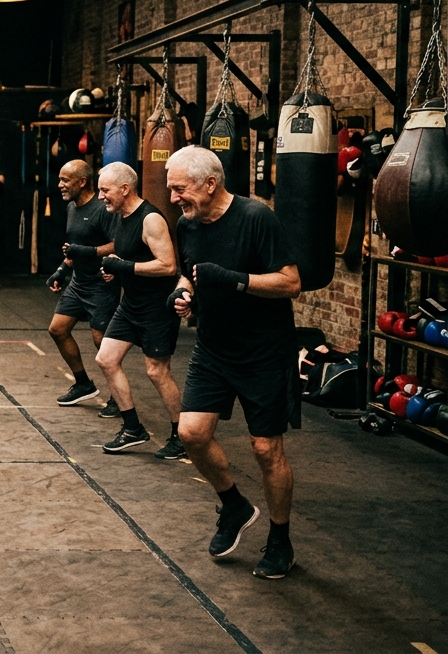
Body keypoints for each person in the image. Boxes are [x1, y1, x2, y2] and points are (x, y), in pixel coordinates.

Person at [168, 146, 301, 580]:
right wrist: (183, 293)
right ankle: (234, 506)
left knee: (266, 450)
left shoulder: (255, 218)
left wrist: (235, 280)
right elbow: (190, 272)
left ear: (211, 183)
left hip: (264, 352)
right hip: (213, 349)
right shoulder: (188, 224)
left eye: (180, 189)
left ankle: (280, 539)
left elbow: (291, 282)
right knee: (190, 433)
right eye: (171, 190)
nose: (174, 199)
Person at [93, 162, 184, 459]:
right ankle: (133, 428)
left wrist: (125, 267)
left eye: (105, 190)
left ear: (124, 189)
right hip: (130, 304)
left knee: (157, 371)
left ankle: (181, 435)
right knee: (106, 359)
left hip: (156, 308)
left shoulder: (151, 219)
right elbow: (128, 254)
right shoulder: (120, 216)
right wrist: (116, 269)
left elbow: (169, 265)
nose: (101, 196)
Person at [47, 160, 120, 411]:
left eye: (65, 180)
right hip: (78, 282)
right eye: (60, 179)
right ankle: (83, 384)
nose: (60, 185)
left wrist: (87, 252)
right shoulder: (71, 208)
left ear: (82, 182)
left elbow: (117, 245)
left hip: (101, 284)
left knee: (102, 343)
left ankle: (118, 397)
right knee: (57, 329)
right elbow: (73, 248)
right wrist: (61, 270)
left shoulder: (102, 210)